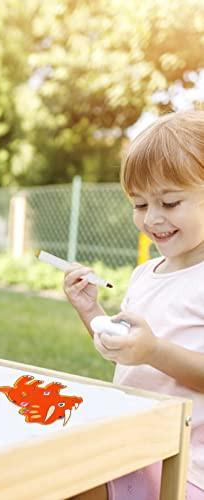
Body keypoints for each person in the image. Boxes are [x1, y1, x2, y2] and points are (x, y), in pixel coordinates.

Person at [64, 110, 204, 499]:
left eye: (170, 202)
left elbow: (151, 353)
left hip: (187, 466)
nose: (153, 219)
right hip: (133, 444)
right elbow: (127, 355)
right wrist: (92, 313)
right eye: (140, 205)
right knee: (53, 478)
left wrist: (154, 350)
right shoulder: (145, 275)